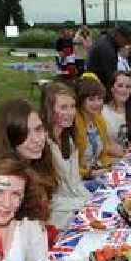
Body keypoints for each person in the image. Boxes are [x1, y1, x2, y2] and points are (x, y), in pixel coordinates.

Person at [40, 82, 91, 227]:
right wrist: (83, 203)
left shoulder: (67, 138)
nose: (70, 112)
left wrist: (91, 200)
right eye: (63, 107)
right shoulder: (42, 144)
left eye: (72, 106)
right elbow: (48, 200)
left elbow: (75, 182)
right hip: (55, 216)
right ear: (49, 109)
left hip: (72, 204)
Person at [74, 76, 113, 180]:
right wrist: (90, 173)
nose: (97, 104)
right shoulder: (74, 124)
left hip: (98, 171)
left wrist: (109, 166)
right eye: (91, 99)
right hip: (80, 178)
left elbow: (103, 154)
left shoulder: (99, 120)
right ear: (81, 100)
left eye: (99, 99)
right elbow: (70, 167)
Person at [102, 71, 131, 152]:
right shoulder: (102, 112)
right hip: (110, 160)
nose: (124, 90)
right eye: (120, 86)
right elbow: (102, 145)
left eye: (128, 87)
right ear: (112, 88)